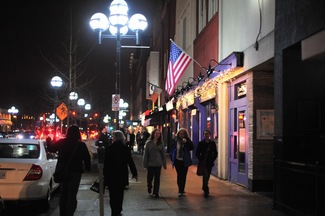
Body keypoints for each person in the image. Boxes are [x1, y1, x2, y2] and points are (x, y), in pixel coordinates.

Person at [47, 125, 91, 216]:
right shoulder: (81, 145)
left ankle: (63, 213)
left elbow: (51, 148)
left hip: (64, 171)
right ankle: (70, 213)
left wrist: (48, 139)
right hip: (76, 172)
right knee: (72, 194)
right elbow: (87, 158)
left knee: (63, 193)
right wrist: (88, 168)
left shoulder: (62, 142)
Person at [103, 130, 138, 216]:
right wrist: (134, 173)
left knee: (112, 195)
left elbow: (105, 164)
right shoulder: (125, 149)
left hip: (111, 175)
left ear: (114, 138)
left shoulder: (109, 149)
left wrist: (104, 175)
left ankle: (114, 211)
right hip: (122, 175)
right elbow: (130, 162)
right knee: (120, 194)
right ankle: (118, 210)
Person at [170, 128, 194, 197]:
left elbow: (192, 147)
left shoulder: (187, 140)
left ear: (185, 135)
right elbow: (172, 149)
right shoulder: (175, 140)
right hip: (177, 160)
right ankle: (180, 190)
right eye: (181, 133)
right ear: (178, 134)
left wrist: (187, 142)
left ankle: (182, 189)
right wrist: (171, 157)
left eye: (183, 134)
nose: (182, 135)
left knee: (184, 175)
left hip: (184, 160)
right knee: (179, 175)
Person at [142, 128, 166, 197]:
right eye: (156, 133)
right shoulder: (148, 143)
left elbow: (162, 154)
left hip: (158, 163)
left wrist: (164, 163)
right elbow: (146, 154)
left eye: (159, 134)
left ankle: (156, 192)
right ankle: (149, 186)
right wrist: (145, 164)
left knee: (157, 178)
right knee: (150, 178)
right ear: (153, 134)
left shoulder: (161, 143)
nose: (157, 135)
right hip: (150, 163)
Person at [195, 129, 218, 197]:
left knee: (207, 176)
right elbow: (197, 153)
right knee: (205, 176)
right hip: (203, 163)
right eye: (205, 134)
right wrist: (200, 159)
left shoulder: (212, 143)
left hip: (209, 162)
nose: (206, 135)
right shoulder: (201, 143)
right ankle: (206, 190)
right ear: (203, 135)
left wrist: (212, 159)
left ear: (209, 135)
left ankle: (204, 186)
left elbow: (215, 153)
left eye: (207, 134)